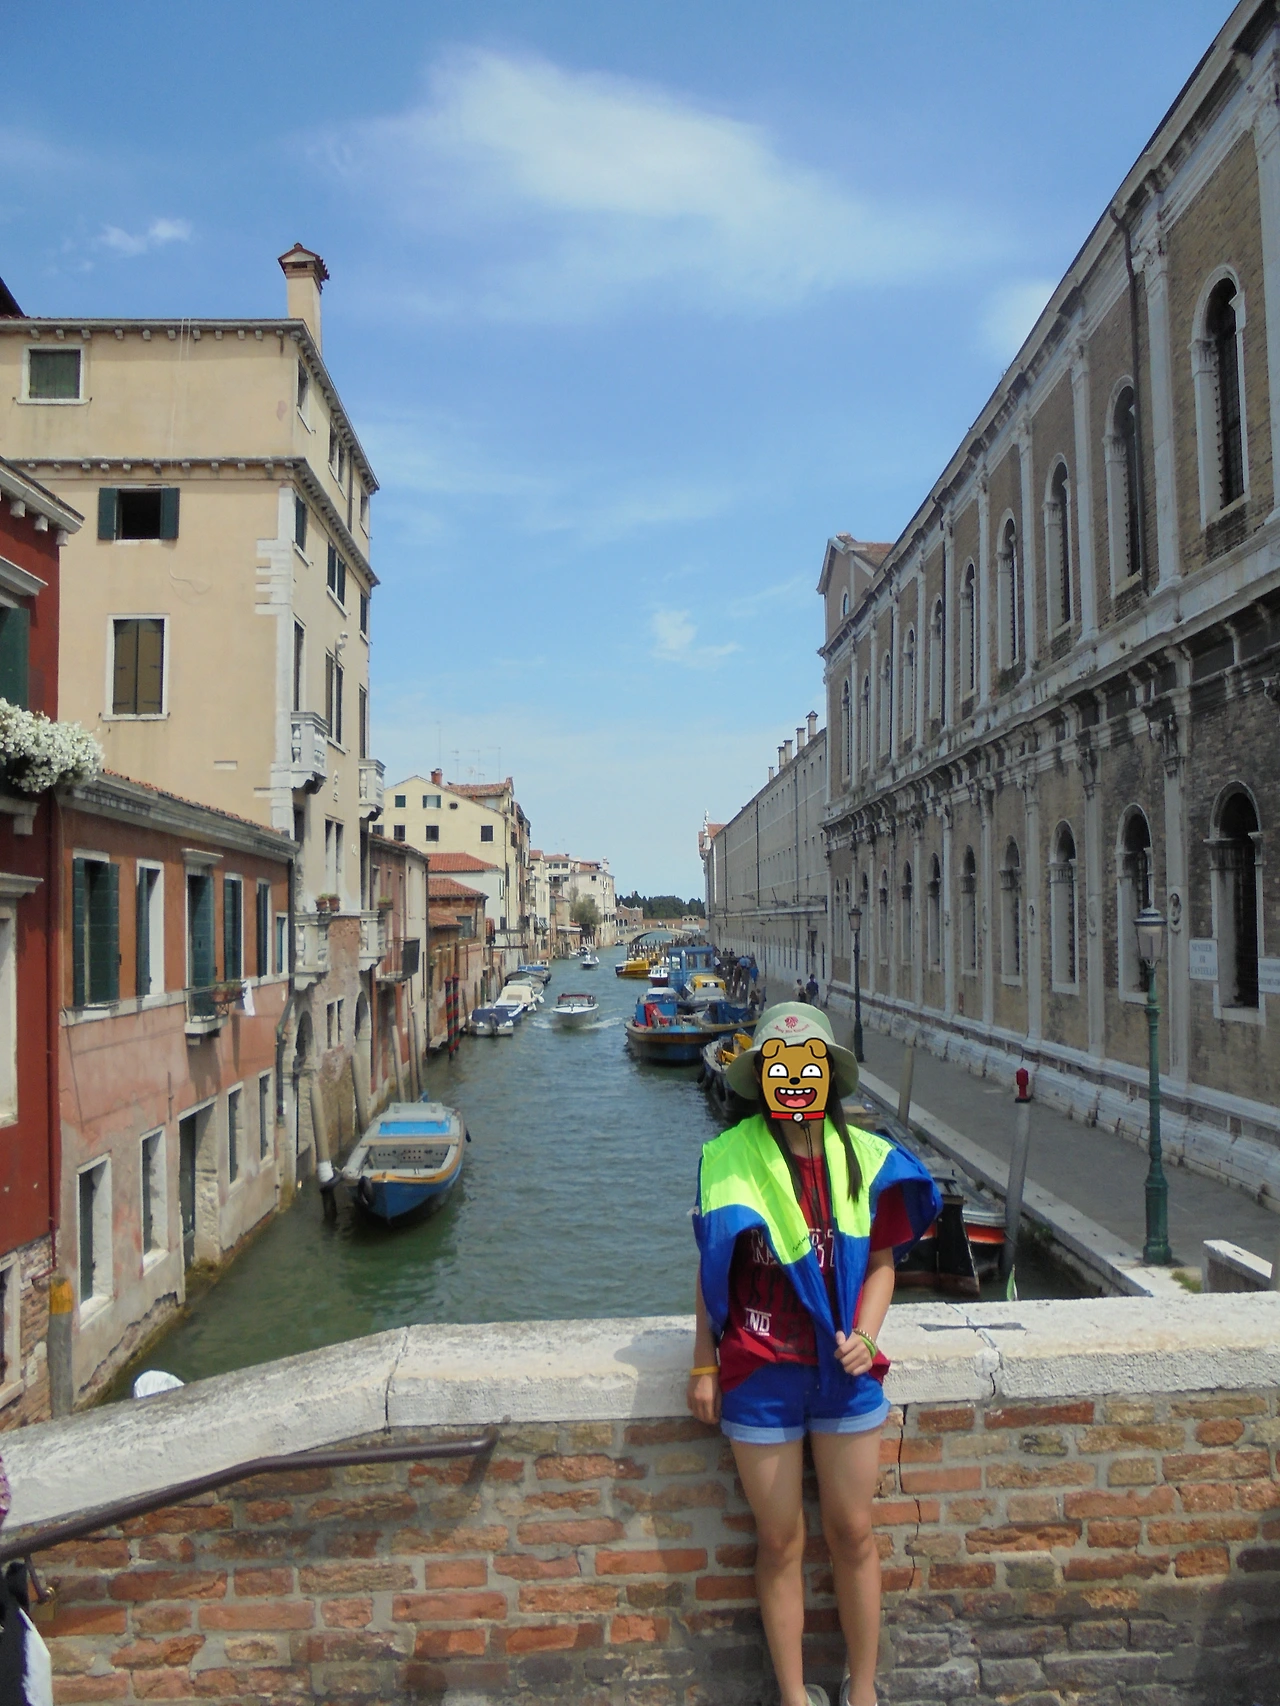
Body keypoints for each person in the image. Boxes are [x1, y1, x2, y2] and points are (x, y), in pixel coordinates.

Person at [688, 1004, 941, 1706]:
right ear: (762, 1078)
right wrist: (704, 1362)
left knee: (854, 1533)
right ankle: (795, 1696)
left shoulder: (861, 1155)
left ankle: (862, 1690)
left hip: (844, 1373)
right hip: (760, 1367)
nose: (794, 1080)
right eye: (779, 1068)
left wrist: (866, 1335)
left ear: (826, 1077)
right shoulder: (728, 1156)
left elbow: (884, 1264)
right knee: (780, 1540)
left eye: (806, 1069)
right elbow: (711, 1271)